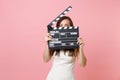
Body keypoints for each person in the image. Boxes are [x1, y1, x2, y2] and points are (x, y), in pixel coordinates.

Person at [43, 16, 87, 80]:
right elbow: (45, 60)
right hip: (52, 77)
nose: (63, 27)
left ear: (70, 27)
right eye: (61, 25)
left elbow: (83, 64)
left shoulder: (75, 43)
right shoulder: (54, 42)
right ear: (58, 28)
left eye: (66, 25)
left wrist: (81, 47)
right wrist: (47, 44)